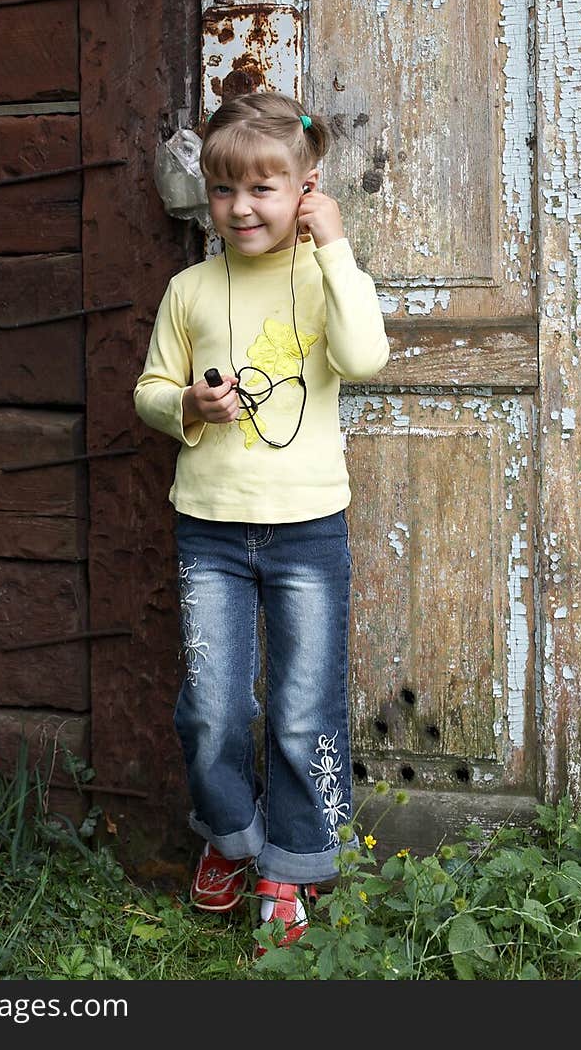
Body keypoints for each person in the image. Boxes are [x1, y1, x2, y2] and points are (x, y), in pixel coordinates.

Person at [133, 90, 390, 952]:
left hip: (308, 529)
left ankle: (293, 861)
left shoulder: (324, 277)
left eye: (265, 190)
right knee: (213, 704)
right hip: (209, 529)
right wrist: (191, 408)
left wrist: (337, 244)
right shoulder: (189, 289)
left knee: (301, 707)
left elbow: (364, 358)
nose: (241, 208)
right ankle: (229, 837)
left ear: (305, 189)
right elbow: (150, 390)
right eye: (223, 191)